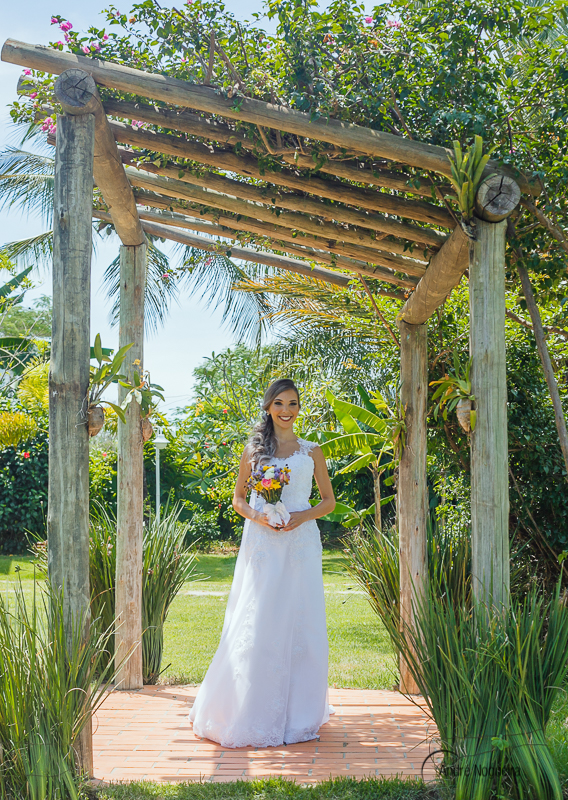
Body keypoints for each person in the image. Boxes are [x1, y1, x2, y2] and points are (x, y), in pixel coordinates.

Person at [189, 378, 336, 748]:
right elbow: (239, 499)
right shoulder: (254, 451)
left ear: (299, 408)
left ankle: (299, 715)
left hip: (301, 543)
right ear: (269, 407)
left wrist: (301, 517)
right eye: (280, 404)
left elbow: (328, 502)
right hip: (264, 543)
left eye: (293, 404)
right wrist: (261, 517)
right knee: (261, 617)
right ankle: (249, 709)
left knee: (301, 620)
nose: (287, 411)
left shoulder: (312, 451)